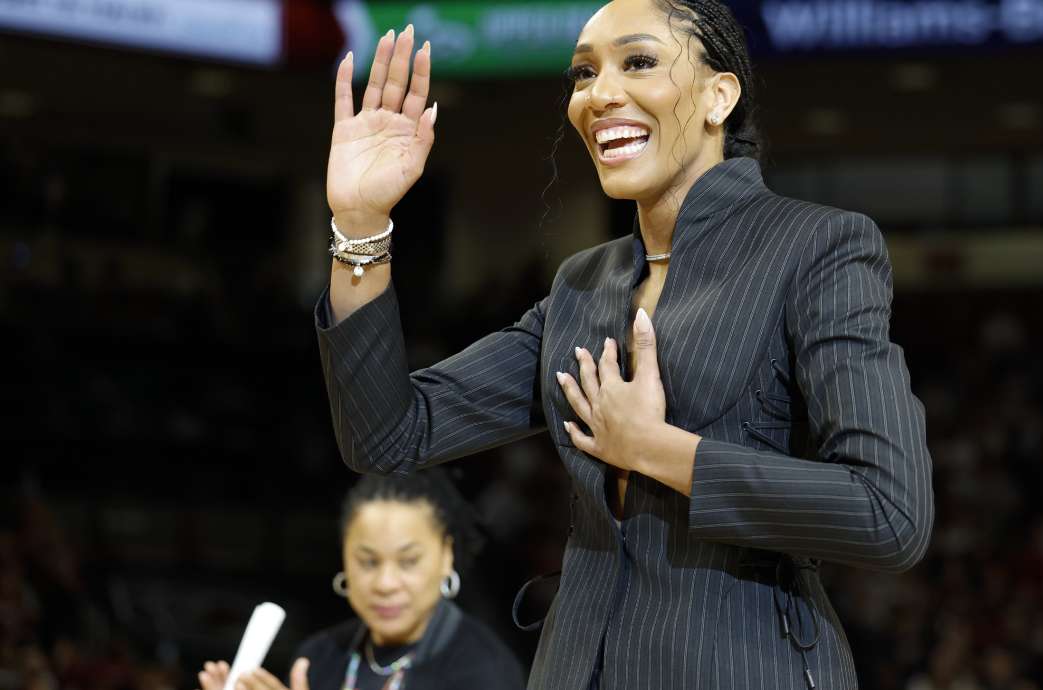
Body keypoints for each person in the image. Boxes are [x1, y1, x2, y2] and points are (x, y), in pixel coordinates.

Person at [315, 0, 934, 688]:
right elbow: (389, 437)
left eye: (638, 62)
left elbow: (891, 513)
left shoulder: (817, 246)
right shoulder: (582, 283)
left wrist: (659, 451)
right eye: (583, 74)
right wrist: (361, 225)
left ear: (718, 96)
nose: (599, 93)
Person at [196, 472, 524, 690]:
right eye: (367, 561)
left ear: (447, 556)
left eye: (408, 561)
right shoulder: (319, 657)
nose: (385, 582)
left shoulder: (483, 670)